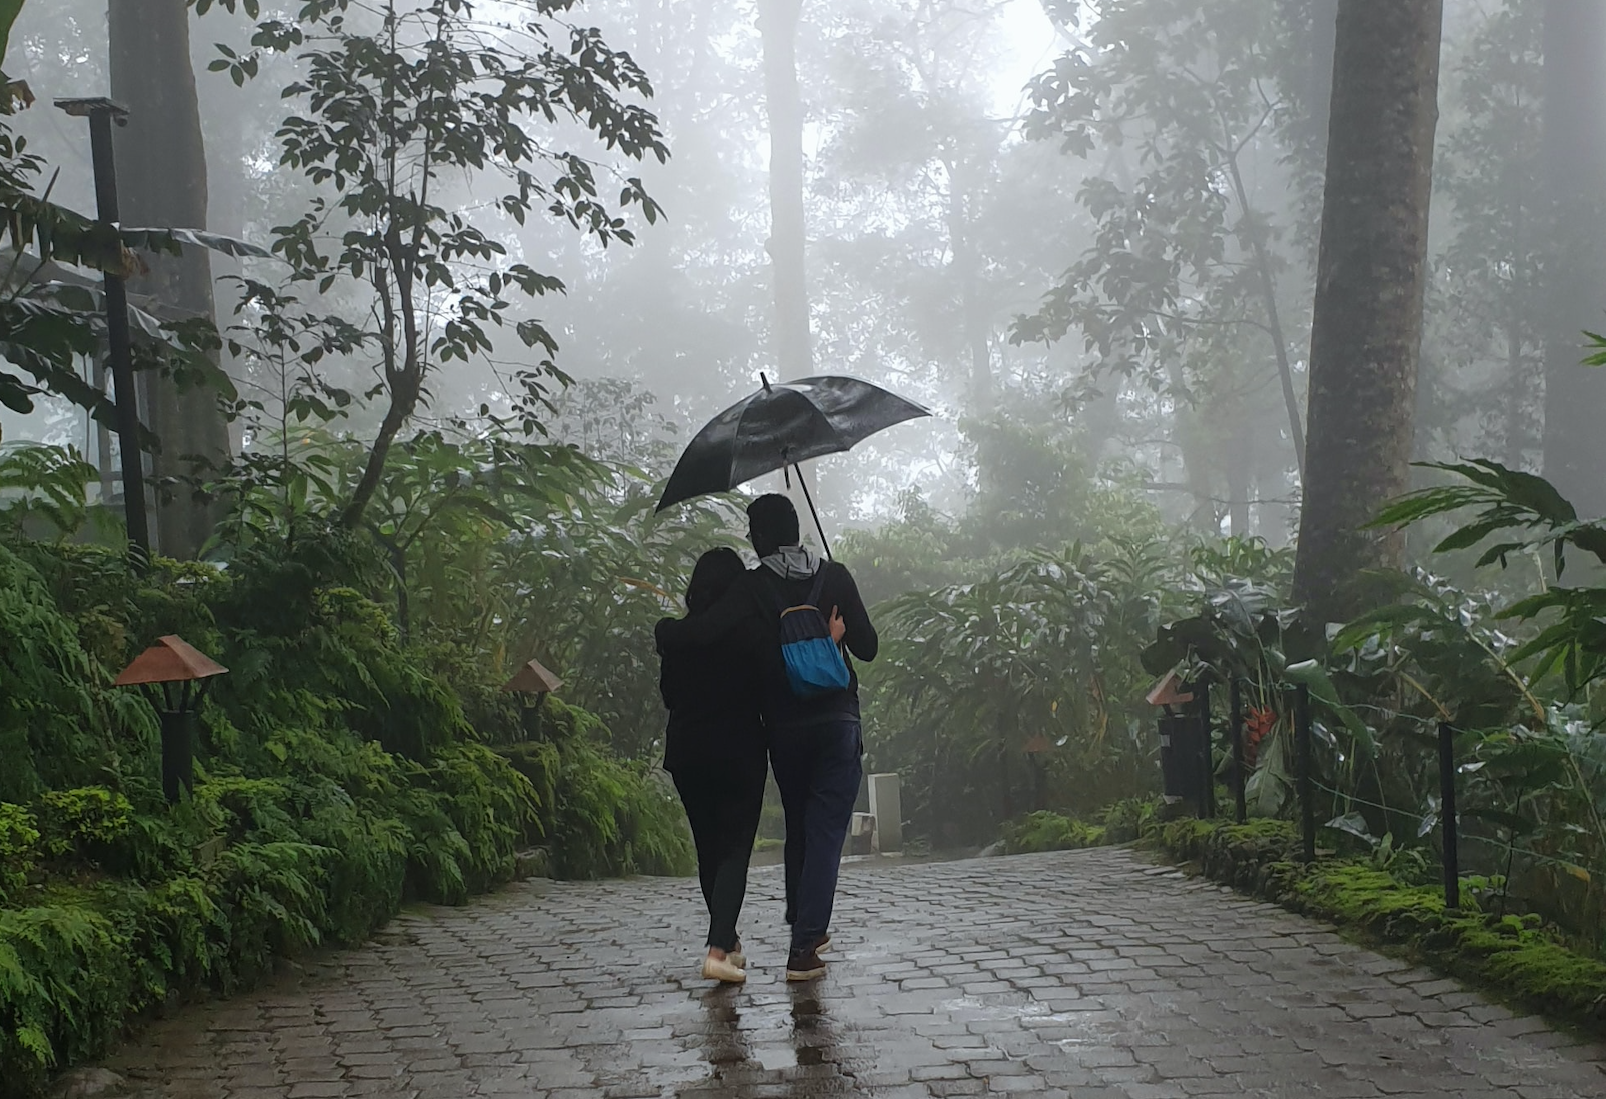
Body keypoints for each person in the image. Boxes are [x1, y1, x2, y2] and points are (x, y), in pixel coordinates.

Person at [656, 494, 878, 983]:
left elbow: (705, 631)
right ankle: (803, 944)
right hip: (837, 719)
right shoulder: (834, 575)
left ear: (758, 536)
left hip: (785, 727)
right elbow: (870, 646)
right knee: (823, 831)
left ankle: (803, 923)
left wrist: (664, 631)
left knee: (801, 823)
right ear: (797, 530)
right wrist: (832, 634)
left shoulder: (753, 586)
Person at [659, 548, 770, 984]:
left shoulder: (675, 638)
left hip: (688, 752)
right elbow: (769, 687)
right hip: (739, 751)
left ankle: (730, 940)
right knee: (735, 849)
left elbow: (669, 696)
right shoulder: (749, 634)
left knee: (709, 849)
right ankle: (718, 950)